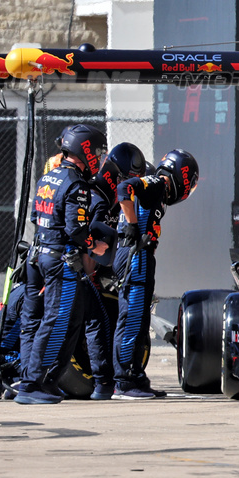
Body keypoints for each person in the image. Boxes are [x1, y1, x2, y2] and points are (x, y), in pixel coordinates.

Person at [16, 124, 107, 405]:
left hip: (41, 256)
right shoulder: (75, 184)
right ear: (86, 151)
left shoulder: (48, 178)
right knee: (58, 321)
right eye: (99, 152)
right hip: (61, 261)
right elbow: (76, 228)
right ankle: (33, 384)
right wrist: (96, 245)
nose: (101, 158)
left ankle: (48, 380)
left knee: (71, 319)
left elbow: (35, 217)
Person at [113, 149, 199, 400]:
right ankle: (125, 381)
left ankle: (135, 376)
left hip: (140, 255)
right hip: (135, 254)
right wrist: (131, 226)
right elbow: (124, 189)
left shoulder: (157, 187)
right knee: (132, 318)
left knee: (139, 321)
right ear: (183, 175)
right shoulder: (157, 182)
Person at [79, 142, 147, 400]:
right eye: (126, 179)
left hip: (77, 268)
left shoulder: (105, 197)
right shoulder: (98, 199)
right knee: (97, 320)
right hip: (76, 271)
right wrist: (92, 278)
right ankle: (102, 383)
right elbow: (89, 247)